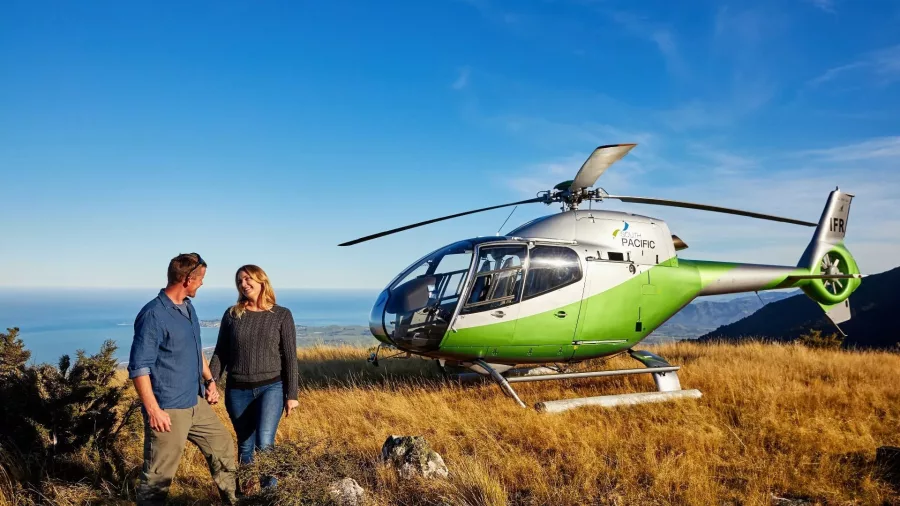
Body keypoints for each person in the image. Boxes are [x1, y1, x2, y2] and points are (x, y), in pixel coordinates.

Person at [127, 253, 238, 505]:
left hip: (194, 400)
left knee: (221, 444)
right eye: (200, 279)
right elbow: (139, 368)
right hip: (168, 408)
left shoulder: (188, 308)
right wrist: (153, 410)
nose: (202, 284)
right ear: (187, 279)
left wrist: (209, 381)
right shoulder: (153, 314)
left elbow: (195, 349)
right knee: (159, 475)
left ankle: (235, 501)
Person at [209, 264, 299, 491]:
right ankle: (247, 496)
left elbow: (290, 357)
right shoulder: (232, 314)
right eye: (239, 281)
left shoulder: (281, 315)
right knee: (245, 445)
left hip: (271, 388)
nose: (244, 284)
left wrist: (292, 394)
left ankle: (270, 495)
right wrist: (210, 383)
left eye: (248, 279)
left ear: (262, 281)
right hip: (237, 390)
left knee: (265, 443)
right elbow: (221, 352)